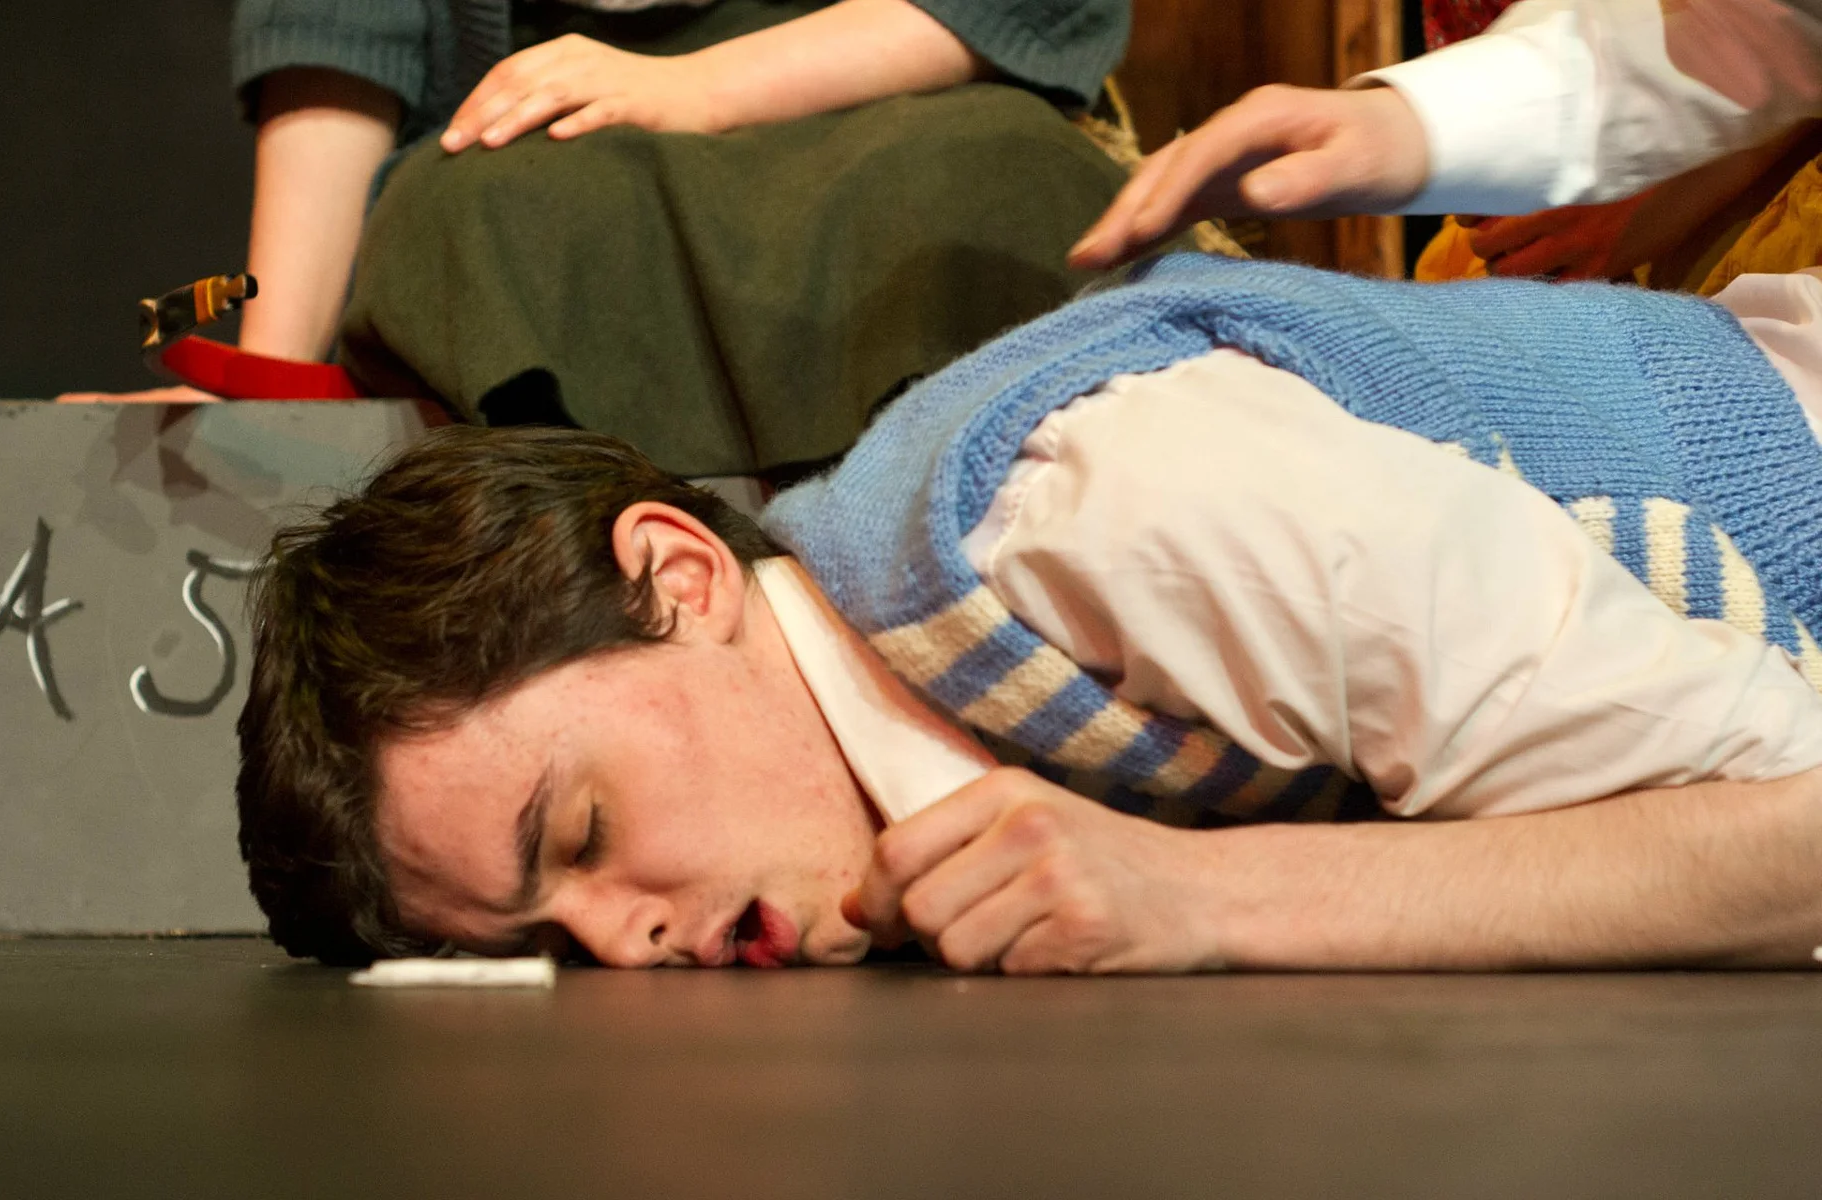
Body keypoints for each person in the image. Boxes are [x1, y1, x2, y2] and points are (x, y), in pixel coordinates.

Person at [237, 250, 1822, 973]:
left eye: (581, 835)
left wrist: (1210, 903)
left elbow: (1794, 838)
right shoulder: (930, 741)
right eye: (551, 945)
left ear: (682, 578)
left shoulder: (1113, 509)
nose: (621, 942)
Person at [197, 0, 1139, 479]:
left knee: (998, 172)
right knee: (462, 213)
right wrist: (269, 375)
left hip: (879, 74)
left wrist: (703, 87)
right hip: (554, 108)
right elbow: (341, 36)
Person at [1069, 0, 1822, 272]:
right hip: (1561, 125)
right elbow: (1763, 27)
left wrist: (1689, 163)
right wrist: (1414, 121)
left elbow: (1776, 35)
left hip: (1731, 188)